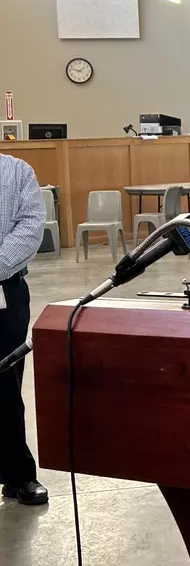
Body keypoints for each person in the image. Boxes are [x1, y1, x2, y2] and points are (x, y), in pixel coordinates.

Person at [0, 153, 48, 506]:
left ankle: (19, 476)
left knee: (6, 385)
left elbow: (30, 227)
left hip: (6, 288)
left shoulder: (17, 172)